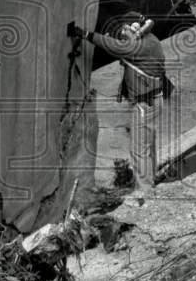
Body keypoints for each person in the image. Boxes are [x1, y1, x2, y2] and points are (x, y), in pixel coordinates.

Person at [68, 11, 170, 203]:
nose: (123, 32)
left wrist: (85, 34)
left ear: (136, 28)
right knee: (149, 144)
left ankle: (145, 192)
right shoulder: (152, 39)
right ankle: (151, 180)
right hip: (155, 99)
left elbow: (111, 46)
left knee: (139, 148)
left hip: (144, 104)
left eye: (126, 28)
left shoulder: (137, 46)